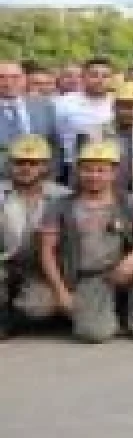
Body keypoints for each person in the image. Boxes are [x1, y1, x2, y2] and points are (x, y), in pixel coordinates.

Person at [34, 141, 133, 344]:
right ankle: (110, 314)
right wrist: (60, 291)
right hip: (87, 278)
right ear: (78, 171)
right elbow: (47, 252)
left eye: (101, 170)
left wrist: (132, 259)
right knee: (93, 334)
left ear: (114, 173)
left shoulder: (130, 202)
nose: (94, 176)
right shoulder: (60, 206)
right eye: (87, 170)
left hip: (120, 269)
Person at [0, 136, 70, 338]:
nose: (26, 168)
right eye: (19, 162)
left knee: (38, 308)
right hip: (5, 263)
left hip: (42, 269)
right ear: (10, 164)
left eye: (33, 163)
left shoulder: (62, 196)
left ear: (45, 167)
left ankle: (18, 311)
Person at [53, 57, 114, 181]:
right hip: (72, 167)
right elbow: (55, 136)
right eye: (94, 75)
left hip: (109, 166)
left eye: (105, 76)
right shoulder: (63, 103)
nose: (100, 80)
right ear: (83, 77)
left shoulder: (118, 103)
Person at [0, 61, 59, 179]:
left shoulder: (44, 105)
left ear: (25, 79)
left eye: (15, 77)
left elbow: (53, 144)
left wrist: (51, 176)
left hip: (39, 181)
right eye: (2, 78)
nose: (8, 83)